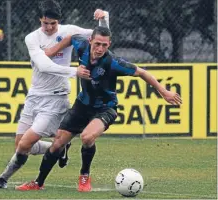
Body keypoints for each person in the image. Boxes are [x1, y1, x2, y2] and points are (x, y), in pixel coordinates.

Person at [16, 26, 183, 192]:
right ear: (90, 41)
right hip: (82, 105)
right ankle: (38, 183)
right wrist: (52, 50)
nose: (100, 48)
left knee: (87, 137)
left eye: (104, 45)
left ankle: (84, 176)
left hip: (105, 108)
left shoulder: (113, 63)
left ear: (109, 44)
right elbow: (71, 37)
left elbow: (142, 72)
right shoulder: (81, 45)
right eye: (97, 44)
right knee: (58, 142)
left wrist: (164, 92)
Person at [0, 0, 109, 189]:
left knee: (25, 144)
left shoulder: (69, 31)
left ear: (59, 21)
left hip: (56, 98)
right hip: (34, 97)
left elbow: (102, 36)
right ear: (40, 20)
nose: (49, 27)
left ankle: (2, 180)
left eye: (53, 24)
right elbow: (43, 65)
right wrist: (74, 72)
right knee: (21, 146)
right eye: (45, 23)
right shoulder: (32, 38)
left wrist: (104, 17)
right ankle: (60, 148)